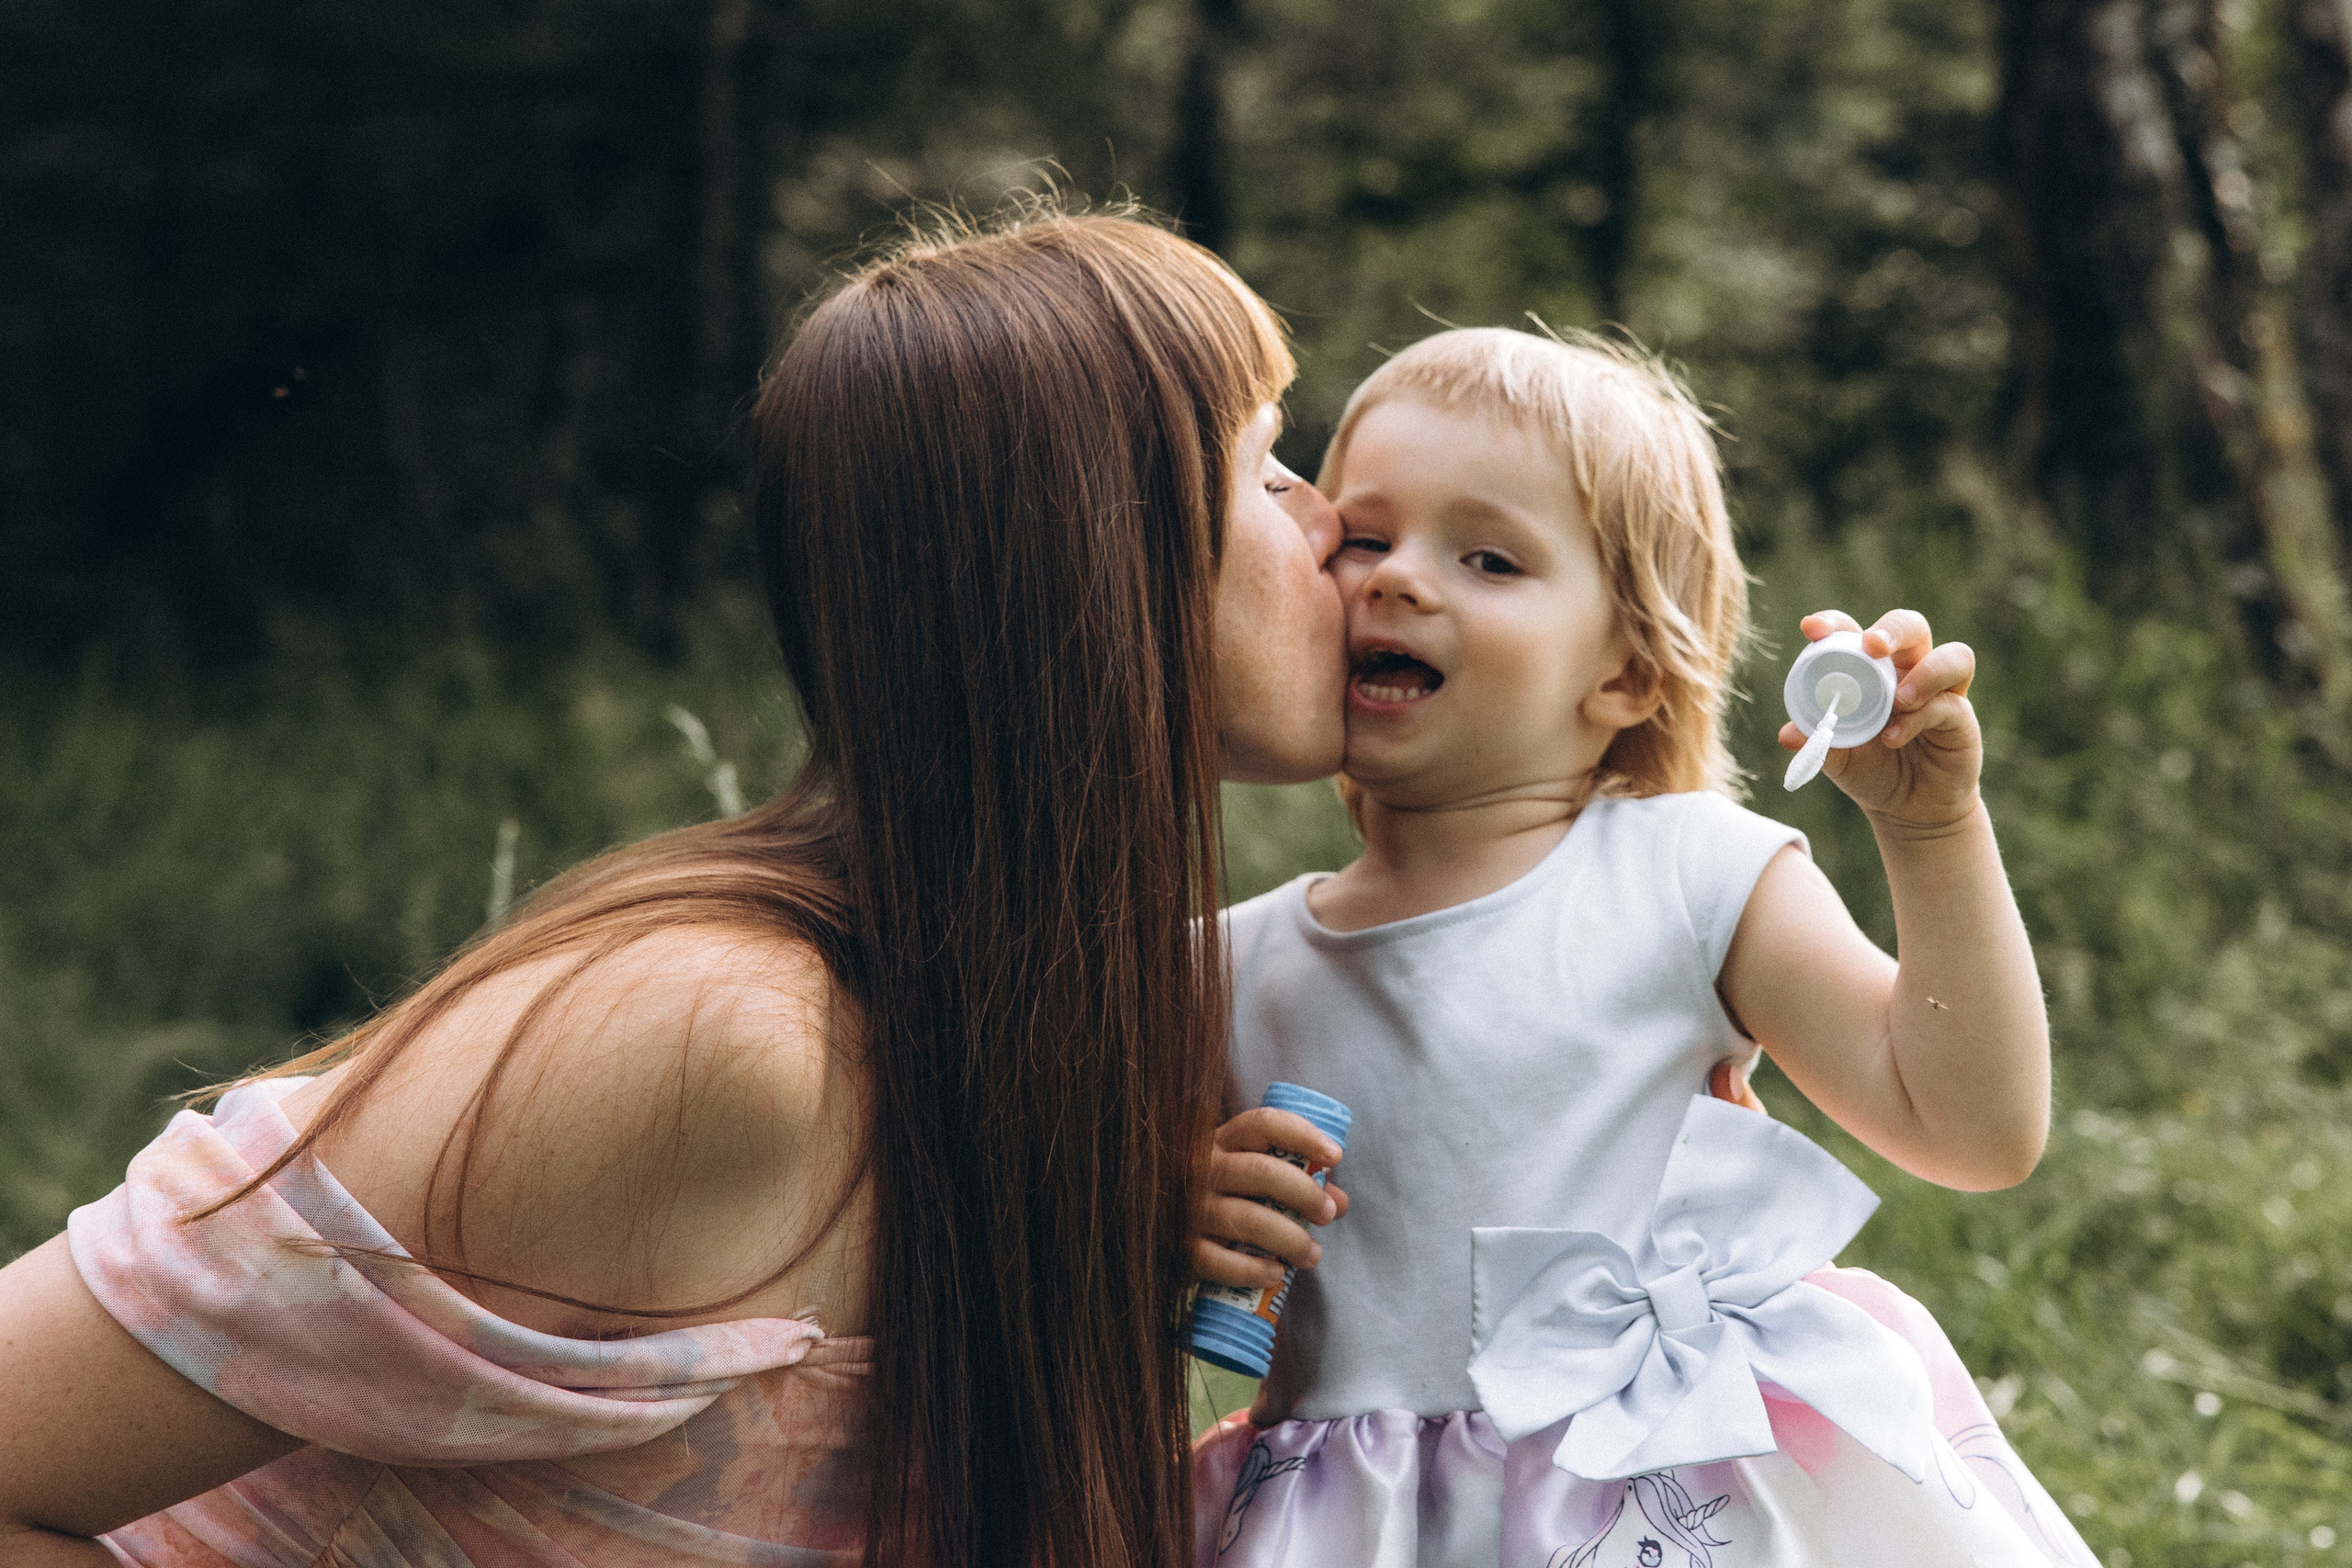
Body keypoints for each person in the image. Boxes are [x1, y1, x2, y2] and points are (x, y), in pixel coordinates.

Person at [0, 208, 1351, 1568]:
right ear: (1096, 560)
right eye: (1271, 466)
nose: (1336, 522)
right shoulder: (722, 1038)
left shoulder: (1072, 1059)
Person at [1189, 327, 2100, 1567]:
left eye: (1491, 557)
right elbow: (1063, 1268)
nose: (1398, 580)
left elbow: (1976, 1128)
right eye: (1364, 537)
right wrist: (1169, 1217)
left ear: (1623, 671)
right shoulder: (1220, 966)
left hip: (1663, 1489)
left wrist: (1932, 832)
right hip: (1359, 1527)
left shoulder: (1690, 875)